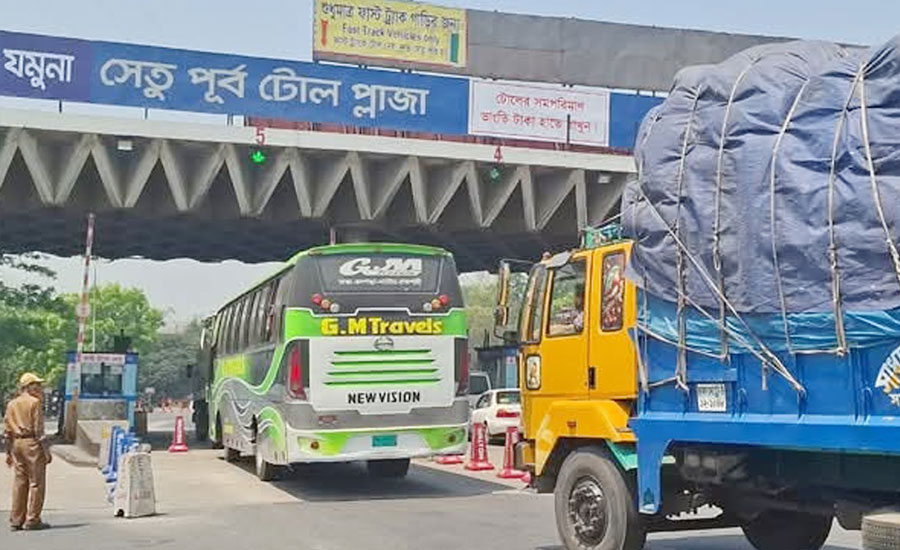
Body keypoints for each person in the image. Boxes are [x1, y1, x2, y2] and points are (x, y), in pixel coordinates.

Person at [4, 372, 52, 532]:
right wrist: (46, 451)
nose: (39, 387)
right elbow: (39, 429)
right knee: (36, 482)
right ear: (28, 386)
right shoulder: (35, 402)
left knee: (20, 482)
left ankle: (16, 519)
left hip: (16, 443)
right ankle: (32, 519)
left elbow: (7, 430)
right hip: (31, 443)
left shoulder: (12, 404)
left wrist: (8, 452)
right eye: (37, 384)